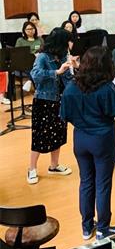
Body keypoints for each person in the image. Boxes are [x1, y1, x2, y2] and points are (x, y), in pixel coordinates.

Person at [60, 46, 115, 241]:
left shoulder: (71, 87)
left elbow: (65, 116)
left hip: (80, 139)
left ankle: (86, 227)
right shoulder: (107, 88)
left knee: (86, 182)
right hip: (102, 140)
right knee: (102, 184)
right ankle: (103, 228)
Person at [28, 28, 76, 185]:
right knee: (39, 135)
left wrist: (74, 67)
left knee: (58, 133)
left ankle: (54, 166)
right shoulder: (43, 56)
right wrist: (56, 71)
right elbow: (35, 75)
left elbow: (68, 79)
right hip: (44, 101)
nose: (70, 44)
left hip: (60, 100)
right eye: (68, 41)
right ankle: (32, 168)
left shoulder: (63, 56)